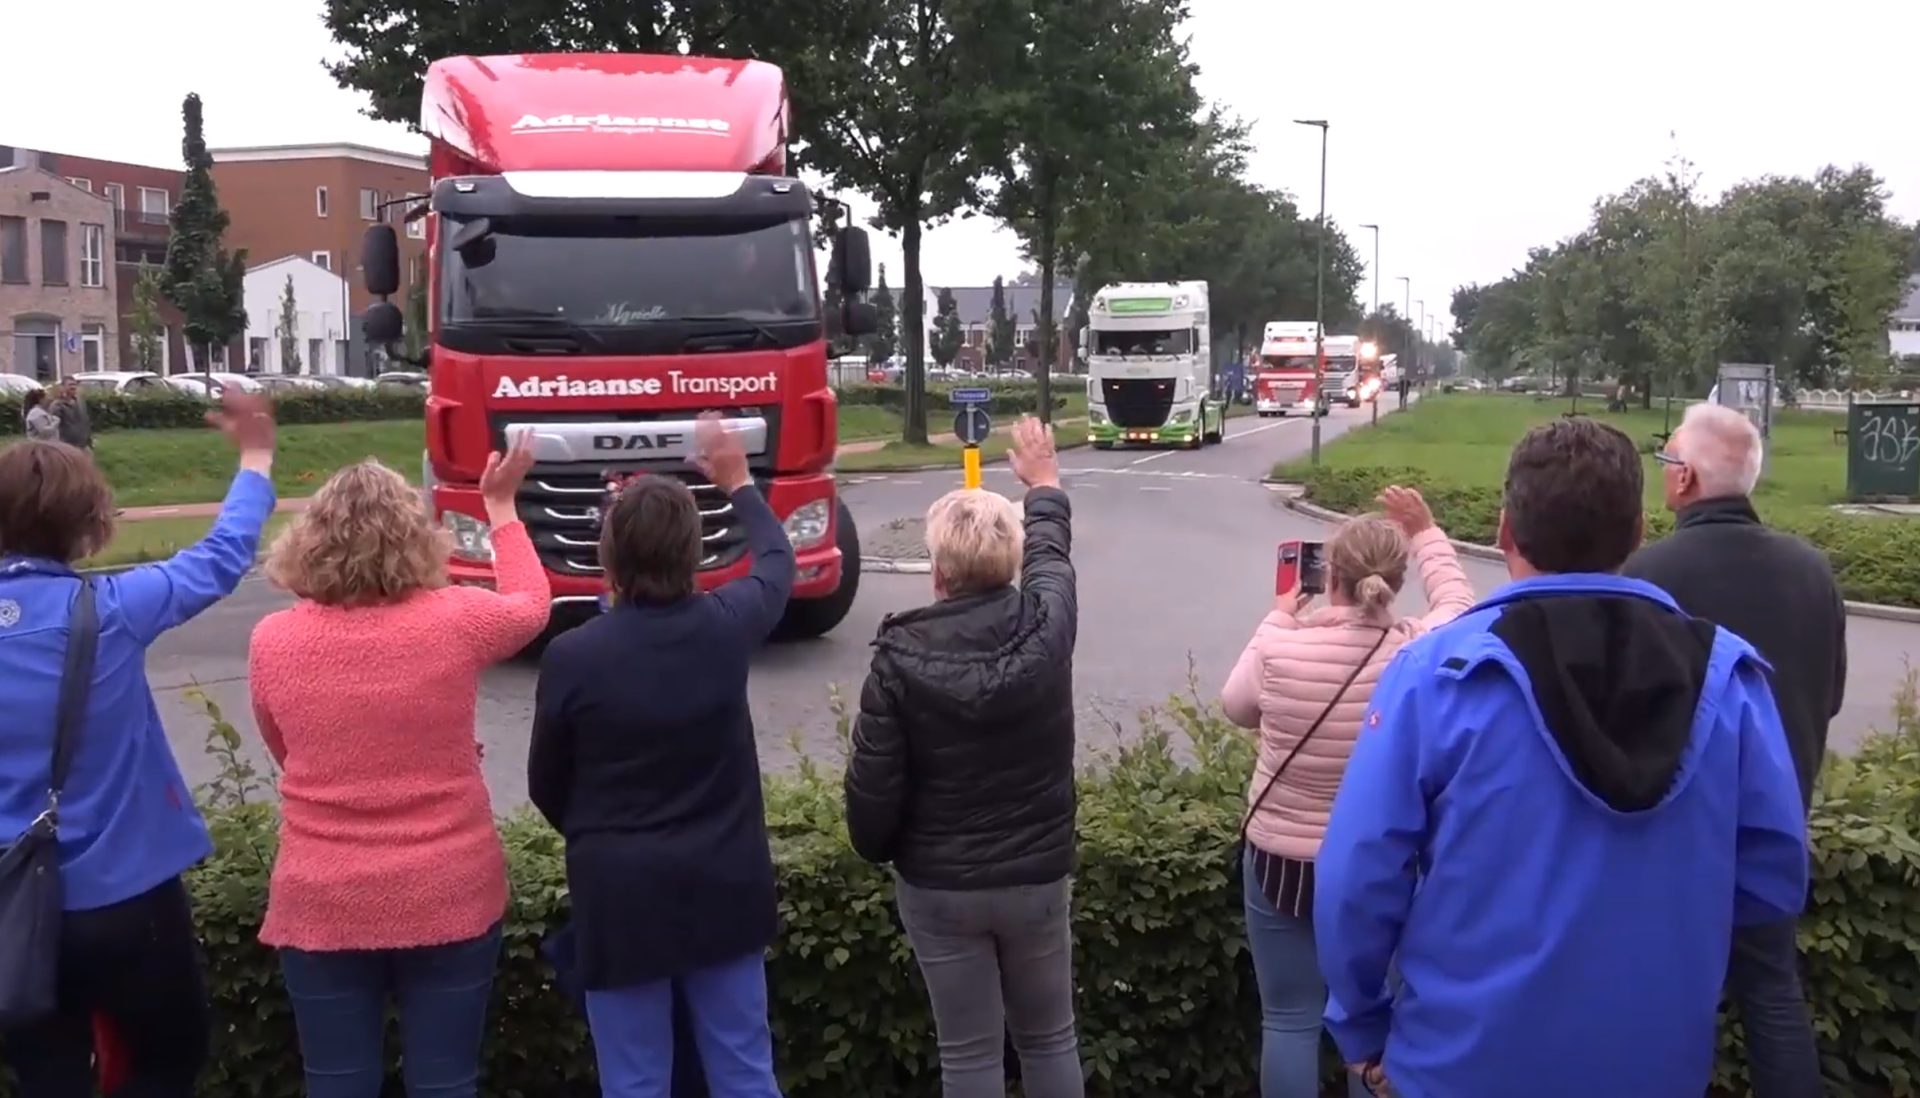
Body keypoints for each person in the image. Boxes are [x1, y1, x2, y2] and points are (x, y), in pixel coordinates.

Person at [1313, 416, 1809, 1098]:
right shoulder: (1733, 682)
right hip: (1653, 1066)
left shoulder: (1437, 674)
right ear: (1638, 532)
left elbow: (1358, 876)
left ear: (1505, 533)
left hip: (1456, 1065)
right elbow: (1771, 880)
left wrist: (1361, 1025)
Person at [244, 438, 550, 1098]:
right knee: (446, 1083)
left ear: (310, 541)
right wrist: (501, 507)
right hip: (449, 885)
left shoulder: (274, 640)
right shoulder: (456, 620)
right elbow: (532, 605)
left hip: (322, 896)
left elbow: (286, 751)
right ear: (416, 538)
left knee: (338, 1084)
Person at [0, 391, 277, 1097]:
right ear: (90, 526)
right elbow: (222, 556)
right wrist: (255, 456)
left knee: (46, 1073)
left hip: (9, 902)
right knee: (167, 1056)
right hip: (127, 901)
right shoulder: (115, 610)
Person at [528, 414, 794, 1096]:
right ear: (694, 553)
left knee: (635, 1078)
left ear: (609, 559)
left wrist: (604, 831)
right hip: (726, 886)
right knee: (743, 1069)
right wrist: (737, 481)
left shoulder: (573, 658)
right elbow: (776, 562)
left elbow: (547, 785)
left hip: (620, 898)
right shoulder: (726, 629)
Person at [843, 417, 1083, 1098]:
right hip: (1037, 875)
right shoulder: (1046, 629)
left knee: (969, 1056)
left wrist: (888, 851)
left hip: (940, 884)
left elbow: (871, 801)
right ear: (1006, 566)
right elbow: (1053, 563)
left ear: (938, 572)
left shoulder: (898, 659)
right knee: (1050, 1038)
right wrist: (1044, 487)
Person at [1219, 487, 1473, 1098]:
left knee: (1288, 1018)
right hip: (1377, 866)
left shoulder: (1280, 645)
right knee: (1376, 1022)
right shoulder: (1414, 651)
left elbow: (1236, 705)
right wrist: (1426, 530)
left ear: (1328, 573)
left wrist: (1280, 613)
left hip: (1280, 859)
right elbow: (1461, 602)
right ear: (1397, 580)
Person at [1625, 401, 1843, 1098]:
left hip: (1674, 835)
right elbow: (1830, 694)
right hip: (1777, 824)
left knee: (1656, 1003)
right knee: (1773, 996)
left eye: (1667, 465)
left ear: (1685, 479)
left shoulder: (1647, 577)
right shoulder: (1812, 571)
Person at [49, 380, 92, 452]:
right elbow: (53, 426)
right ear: (62, 387)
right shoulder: (57, 405)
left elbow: (85, 421)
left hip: (83, 444)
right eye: (70, 385)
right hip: (66, 446)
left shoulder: (80, 402)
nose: (73, 387)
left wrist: (89, 439)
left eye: (74, 385)